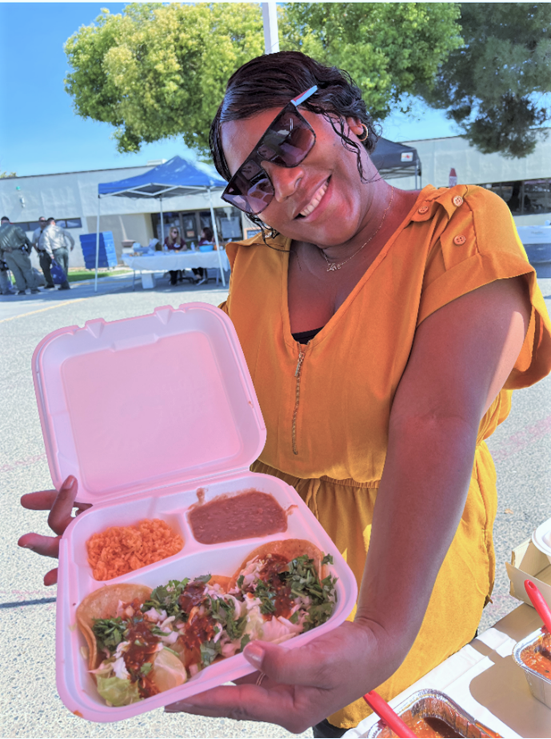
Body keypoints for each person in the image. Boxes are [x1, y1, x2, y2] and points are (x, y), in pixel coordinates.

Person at [17, 51, 551, 736]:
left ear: (347, 119)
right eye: (255, 183)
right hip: (271, 579)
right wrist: (126, 521)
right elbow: (214, 438)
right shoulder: (258, 270)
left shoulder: (457, 227)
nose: (286, 185)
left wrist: (383, 627)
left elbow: (434, 421)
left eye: (288, 141)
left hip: (410, 580)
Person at [0, 216, 39, 294]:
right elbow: (23, 237)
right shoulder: (14, 227)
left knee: (16, 272)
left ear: (1, 222)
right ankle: (33, 288)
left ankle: (21, 290)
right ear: (9, 221)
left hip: (7, 254)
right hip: (17, 251)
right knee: (27, 270)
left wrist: (1, 256)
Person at [41, 217, 75, 290]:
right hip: (64, 248)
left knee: (60, 267)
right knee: (65, 267)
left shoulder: (46, 230)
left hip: (56, 250)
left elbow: (46, 243)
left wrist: (50, 254)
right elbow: (69, 236)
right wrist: (72, 244)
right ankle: (65, 282)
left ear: (48, 223)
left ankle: (65, 284)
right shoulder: (59, 228)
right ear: (53, 223)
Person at [32, 216, 55, 289]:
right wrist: (38, 252)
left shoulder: (50, 230)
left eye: (45, 221)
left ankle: (60, 281)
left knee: (56, 267)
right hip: (43, 252)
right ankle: (50, 283)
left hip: (52, 251)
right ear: (39, 222)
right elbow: (33, 243)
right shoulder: (36, 232)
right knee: (45, 268)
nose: (43, 222)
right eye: (42, 221)